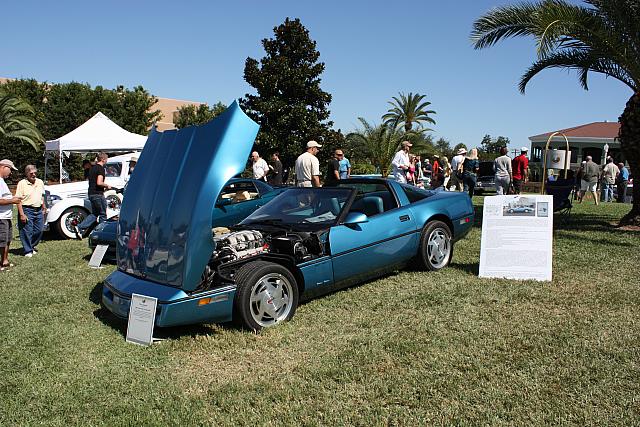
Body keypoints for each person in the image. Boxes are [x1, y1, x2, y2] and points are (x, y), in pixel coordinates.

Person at [75, 152, 112, 238]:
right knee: (103, 214)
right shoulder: (100, 169)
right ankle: (102, 232)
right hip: (98, 194)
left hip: (91, 193)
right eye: (106, 159)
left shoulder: (92, 168)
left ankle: (80, 227)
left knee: (95, 214)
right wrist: (107, 186)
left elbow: (93, 181)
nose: (106, 161)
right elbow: (99, 182)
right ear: (103, 159)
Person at [15, 165, 46, 257]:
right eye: (31, 173)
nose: (33, 174)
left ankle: (31, 246)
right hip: (27, 209)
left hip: (39, 209)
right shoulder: (22, 183)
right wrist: (21, 214)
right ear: (26, 174)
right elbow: (18, 200)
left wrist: (44, 206)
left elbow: (42, 195)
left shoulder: (40, 182)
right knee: (26, 231)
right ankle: (28, 250)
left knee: (39, 230)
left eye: (35, 172)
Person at [0, 159, 23, 271]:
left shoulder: (2, 181)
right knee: (2, 240)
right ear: (4, 167)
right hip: (1, 217)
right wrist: (13, 201)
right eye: (10, 169)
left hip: (6, 216)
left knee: (7, 239)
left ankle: (4, 261)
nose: (11, 172)